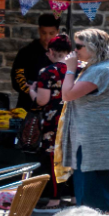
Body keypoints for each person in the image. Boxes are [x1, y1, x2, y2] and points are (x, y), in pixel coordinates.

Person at [53, 27, 109, 213]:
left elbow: (68, 94)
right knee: (98, 194)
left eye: (79, 46)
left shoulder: (101, 70)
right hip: (96, 144)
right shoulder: (103, 68)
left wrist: (69, 70)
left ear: (94, 48)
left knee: (94, 201)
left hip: (94, 146)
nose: (75, 50)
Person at [20, 34, 72, 199]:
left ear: (51, 51)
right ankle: (75, 197)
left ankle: (54, 200)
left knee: (53, 161)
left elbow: (42, 101)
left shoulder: (48, 72)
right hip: (75, 121)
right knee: (73, 161)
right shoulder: (80, 69)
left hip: (53, 123)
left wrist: (31, 90)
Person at [11, 12, 62, 112]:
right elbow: (18, 78)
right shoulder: (26, 52)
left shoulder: (63, 53)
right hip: (28, 105)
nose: (47, 37)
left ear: (57, 32)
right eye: (44, 33)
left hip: (55, 107)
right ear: (39, 31)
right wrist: (33, 92)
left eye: (51, 33)